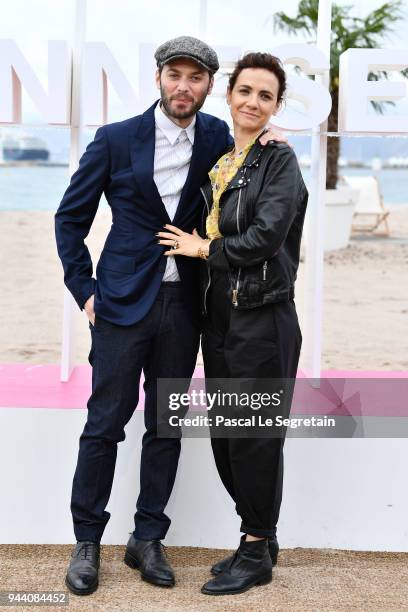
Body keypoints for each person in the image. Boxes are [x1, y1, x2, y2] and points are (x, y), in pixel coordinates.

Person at [55, 37, 284, 596]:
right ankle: (88, 540)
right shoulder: (114, 140)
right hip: (119, 306)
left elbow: (250, 159)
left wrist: (272, 140)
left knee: (166, 426)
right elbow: (70, 221)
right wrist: (85, 291)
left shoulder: (215, 137)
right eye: (175, 75)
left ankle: (147, 537)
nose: (185, 86)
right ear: (158, 78)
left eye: (196, 78)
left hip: (186, 307)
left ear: (211, 87)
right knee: (105, 422)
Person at [157, 51, 308, 596]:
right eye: (246, 91)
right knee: (226, 436)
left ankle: (256, 544)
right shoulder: (225, 160)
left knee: (255, 438)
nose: (253, 102)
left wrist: (203, 248)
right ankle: (258, 540)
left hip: (263, 318)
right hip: (219, 318)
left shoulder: (280, 162)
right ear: (230, 95)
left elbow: (265, 238)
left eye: (265, 95)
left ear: (276, 106)